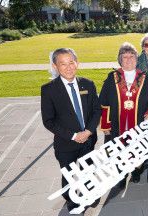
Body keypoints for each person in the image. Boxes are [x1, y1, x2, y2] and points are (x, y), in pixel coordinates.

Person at [41, 48, 101, 213]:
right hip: (65, 144)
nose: (68, 67)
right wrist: (74, 136)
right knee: (68, 175)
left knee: (88, 170)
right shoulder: (49, 90)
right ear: (55, 66)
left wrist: (88, 131)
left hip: (88, 140)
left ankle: (90, 193)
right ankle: (72, 200)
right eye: (63, 64)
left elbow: (97, 110)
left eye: (71, 62)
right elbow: (48, 121)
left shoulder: (88, 84)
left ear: (77, 63)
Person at [99, 42, 148, 183]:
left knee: (137, 149)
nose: (128, 60)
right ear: (120, 60)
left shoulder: (143, 78)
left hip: (137, 124)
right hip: (116, 125)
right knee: (117, 150)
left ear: (136, 59)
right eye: (125, 57)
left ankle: (135, 172)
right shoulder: (112, 78)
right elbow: (103, 103)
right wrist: (105, 125)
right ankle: (120, 176)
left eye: (132, 56)